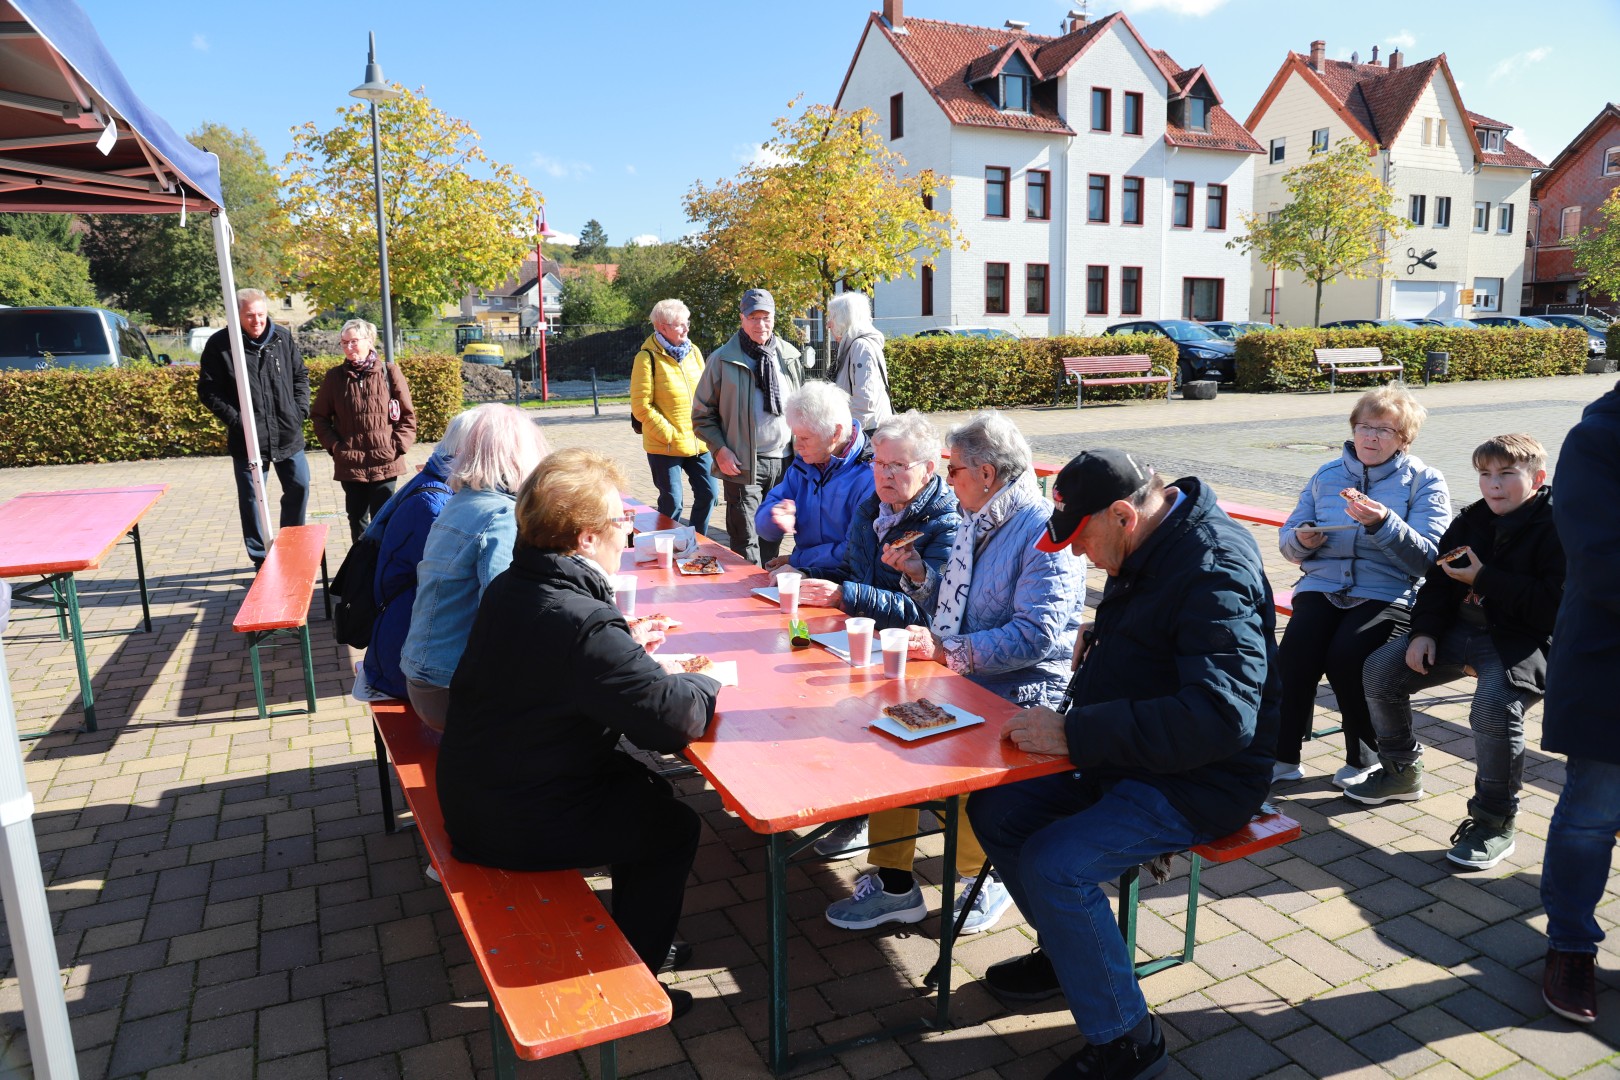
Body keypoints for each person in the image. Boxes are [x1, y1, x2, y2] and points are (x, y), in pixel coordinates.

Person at [968, 449, 1280, 1080]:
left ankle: (1128, 1042)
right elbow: (1155, 645)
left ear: (1121, 514)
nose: (1079, 555)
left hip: (1201, 780)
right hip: (1132, 757)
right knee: (995, 809)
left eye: (1082, 539)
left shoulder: (1213, 566)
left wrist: (1077, 734)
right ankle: (1069, 955)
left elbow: (1221, 719)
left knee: (1056, 864)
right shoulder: (1147, 543)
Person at [436, 448, 720, 1018]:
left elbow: (560, 670)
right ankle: (634, 983)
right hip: (510, 819)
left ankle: (633, 936)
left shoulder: (517, 585)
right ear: (586, 539)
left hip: (479, 788)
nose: (628, 533)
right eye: (622, 522)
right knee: (673, 828)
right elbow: (673, 723)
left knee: (646, 789)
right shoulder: (579, 620)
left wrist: (626, 652)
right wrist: (705, 681)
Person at [823, 411, 1081, 936]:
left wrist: (948, 651)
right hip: (975, 673)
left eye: (955, 468)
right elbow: (959, 603)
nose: (949, 477)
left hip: (1023, 688)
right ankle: (895, 881)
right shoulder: (978, 518)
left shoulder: (1038, 530)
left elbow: (1036, 636)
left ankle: (983, 877)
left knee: (950, 746)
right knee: (885, 727)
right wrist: (919, 576)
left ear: (987, 474)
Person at [1344, 434, 1562, 871]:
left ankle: (1494, 820)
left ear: (1537, 479)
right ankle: (1401, 769)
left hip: (1521, 641)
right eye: (1485, 474)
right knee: (1380, 670)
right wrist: (1423, 632)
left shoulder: (1559, 527)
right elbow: (1439, 582)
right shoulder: (1472, 520)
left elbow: (1555, 608)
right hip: (1457, 630)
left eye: (1506, 475)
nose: (1493, 485)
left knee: (1492, 709)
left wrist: (1485, 579)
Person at [794, 410, 961, 862]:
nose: (884, 474)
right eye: (878, 463)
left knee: (851, 710)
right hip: (865, 637)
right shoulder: (873, 509)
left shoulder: (945, 523)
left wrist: (846, 595)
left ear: (929, 469)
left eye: (897, 466)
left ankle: (865, 812)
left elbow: (927, 611)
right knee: (803, 686)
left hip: (916, 652)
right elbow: (852, 568)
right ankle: (851, 802)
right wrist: (802, 571)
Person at [1273, 387, 1450, 788]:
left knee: (1348, 657)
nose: (1370, 438)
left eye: (1385, 431)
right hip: (1322, 583)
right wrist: (1302, 540)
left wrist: (1383, 523)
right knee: (1295, 655)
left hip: (1387, 590)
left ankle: (1364, 758)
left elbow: (1429, 559)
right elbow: (1287, 540)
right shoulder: (1326, 474)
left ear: (1404, 439)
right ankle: (1282, 757)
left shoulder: (1424, 480)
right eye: (1364, 427)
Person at [1538, 379, 1620, 1025]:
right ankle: (1569, 945)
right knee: (1593, 814)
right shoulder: (1599, 438)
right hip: (1609, 670)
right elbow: (1602, 563)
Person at [399, 406, 549, 731]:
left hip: (425, 676)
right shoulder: (499, 516)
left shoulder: (462, 501)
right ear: (518, 456)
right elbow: (507, 615)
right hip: (450, 689)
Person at [361, 406, 482, 701]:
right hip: (408, 665)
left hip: (408, 648)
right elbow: (464, 584)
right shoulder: (433, 504)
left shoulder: (438, 481)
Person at [691, 288, 807, 566]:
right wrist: (720, 450)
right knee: (745, 540)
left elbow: (802, 408)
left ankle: (766, 594)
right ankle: (744, 595)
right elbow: (701, 415)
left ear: (774, 318)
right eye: (753, 317)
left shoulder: (789, 356)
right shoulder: (721, 359)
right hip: (743, 464)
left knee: (773, 535)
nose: (760, 325)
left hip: (786, 464)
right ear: (741, 318)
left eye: (765, 317)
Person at [197, 287, 310, 568]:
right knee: (252, 501)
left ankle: (291, 546)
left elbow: (300, 376)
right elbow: (208, 391)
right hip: (248, 439)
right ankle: (261, 561)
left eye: (261, 314)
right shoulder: (221, 345)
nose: (257, 320)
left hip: (287, 433)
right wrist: (237, 421)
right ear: (237, 315)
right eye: (250, 315)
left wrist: (299, 411)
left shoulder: (283, 338)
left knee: (300, 486)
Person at [310, 319, 418, 542]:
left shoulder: (389, 372)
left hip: (385, 461)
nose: (348, 347)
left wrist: (397, 447)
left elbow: (407, 416)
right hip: (351, 463)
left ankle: (382, 570)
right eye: (344, 343)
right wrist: (337, 447)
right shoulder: (335, 377)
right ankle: (360, 570)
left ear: (369, 341)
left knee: (384, 520)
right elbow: (319, 417)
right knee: (357, 520)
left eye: (354, 341)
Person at [755, 382, 875, 578]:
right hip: (805, 571)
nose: (797, 446)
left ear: (835, 433)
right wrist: (773, 517)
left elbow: (854, 550)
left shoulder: (870, 475)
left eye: (805, 438)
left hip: (850, 582)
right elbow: (764, 526)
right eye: (796, 436)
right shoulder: (804, 465)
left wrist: (797, 559)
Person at [630, 299, 719, 535]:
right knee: (673, 503)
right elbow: (641, 406)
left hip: (699, 441)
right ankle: (665, 545)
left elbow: (707, 393)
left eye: (687, 322)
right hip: (665, 445)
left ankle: (696, 541)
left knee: (709, 494)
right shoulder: (646, 358)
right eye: (680, 324)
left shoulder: (694, 352)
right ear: (662, 327)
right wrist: (669, 434)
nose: (686, 329)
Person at [828, 291, 892, 429]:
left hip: (865, 434)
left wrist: (850, 436)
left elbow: (865, 401)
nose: (828, 325)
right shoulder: (855, 345)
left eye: (832, 317)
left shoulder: (860, 346)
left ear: (843, 319)